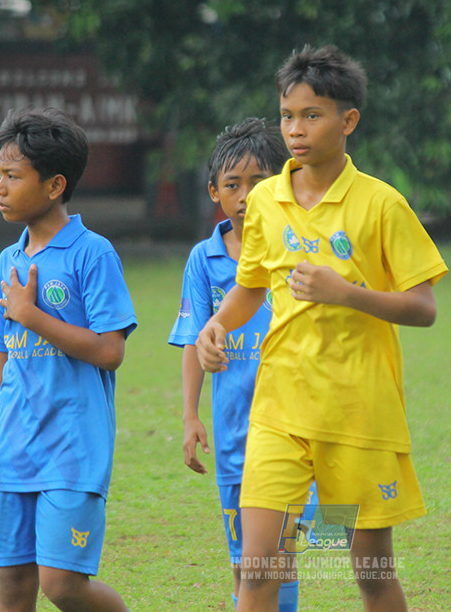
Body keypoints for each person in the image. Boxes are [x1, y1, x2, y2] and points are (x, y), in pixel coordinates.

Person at [196, 45, 448, 612]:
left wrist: (347, 293)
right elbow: (251, 286)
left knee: (368, 572)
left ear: (348, 120)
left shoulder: (381, 204)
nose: (296, 129)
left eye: (312, 115)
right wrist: (216, 325)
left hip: (356, 417)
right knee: (258, 568)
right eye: (288, 115)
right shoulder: (265, 201)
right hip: (279, 411)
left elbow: (424, 307)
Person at [0, 107, 137, 612]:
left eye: (13, 176)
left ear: (55, 185)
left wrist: (31, 315)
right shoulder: (8, 261)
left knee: (63, 585)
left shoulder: (92, 253)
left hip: (72, 451)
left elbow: (111, 351)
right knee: (11, 588)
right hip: (11, 452)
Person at [168, 117, 306, 610]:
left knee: (281, 556)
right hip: (233, 436)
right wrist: (190, 416)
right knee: (245, 561)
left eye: (258, 182)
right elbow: (193, 339)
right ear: (214, 192)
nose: (245, 195)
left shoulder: (297, 245)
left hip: (295, 427)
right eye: (233, 184)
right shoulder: (203, 260)